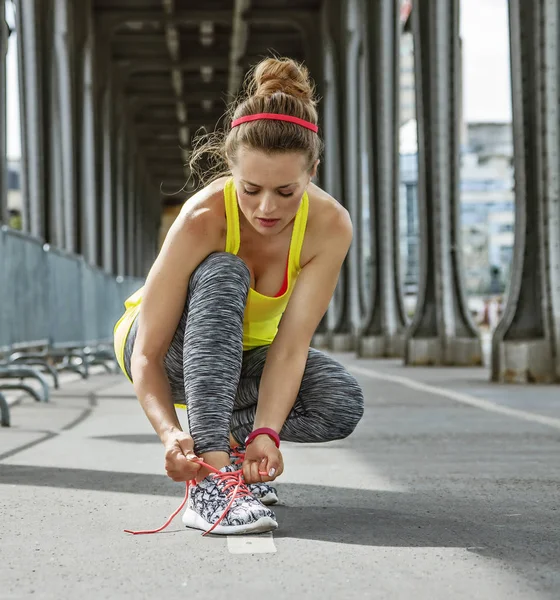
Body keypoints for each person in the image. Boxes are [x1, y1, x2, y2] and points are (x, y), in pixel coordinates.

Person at [114, 56, 364, 536]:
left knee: (339, 402)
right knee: (228, 271)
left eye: (286, 191)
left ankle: (232, 447)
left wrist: (266, 433)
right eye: (250, 189)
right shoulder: (203, 216)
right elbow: (146, 352)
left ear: (313, 170)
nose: (266, 208)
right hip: (163, 349)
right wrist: (172, 436)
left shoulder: (330, 226)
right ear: (231, 169)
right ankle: (212, 482)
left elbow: (290, 348)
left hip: (245, 358)